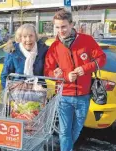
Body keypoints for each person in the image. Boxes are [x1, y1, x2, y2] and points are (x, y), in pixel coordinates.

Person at [44, 9, 106, 151]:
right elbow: (48, 70)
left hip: (83, 96)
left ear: (72, 24)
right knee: (65, 132)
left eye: (64, 26)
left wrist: (85, 68)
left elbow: (101, 58)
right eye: (58, 27)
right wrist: (62, 75)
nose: (61, 30)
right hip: (64, 96)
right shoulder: (54, 47)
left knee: (76, 130)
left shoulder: (86, 40)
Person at [0, 23, 48, 88]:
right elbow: (5, 76)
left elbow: (50, 70)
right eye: (25, 36)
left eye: (31, 36)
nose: (28, 39)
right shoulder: (13, 52)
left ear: (35, 37)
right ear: (20, 38)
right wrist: (8, 91)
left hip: (39, 92)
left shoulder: (43, 50)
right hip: (18, 93)